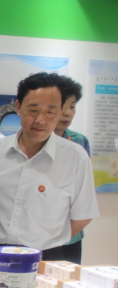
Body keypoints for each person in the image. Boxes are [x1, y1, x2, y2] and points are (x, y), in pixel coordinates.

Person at [0, 73, 99, 260]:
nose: (40, 120)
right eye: (33, 110)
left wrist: (48, 240)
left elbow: (82, 215)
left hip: (46, 256)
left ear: (61, 111)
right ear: (18, 107)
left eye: (50, 112)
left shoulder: (76, 157)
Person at [55, 76, 91, 264]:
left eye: (72, 106)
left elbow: (84, 189)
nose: (68, 113)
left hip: (71, 233)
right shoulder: (32, 142)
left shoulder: (79, 141)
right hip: (38, 232)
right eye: (63, 106)